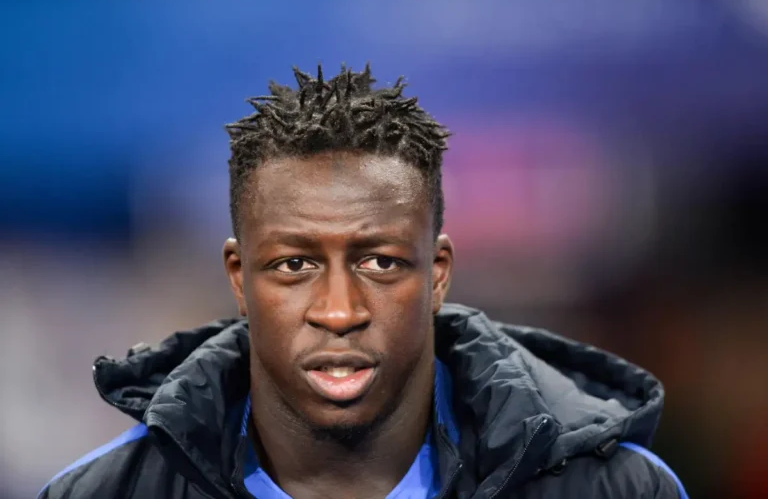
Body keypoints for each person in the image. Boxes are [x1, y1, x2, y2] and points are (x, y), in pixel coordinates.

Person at [39, 64, 688, 499]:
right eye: (294, 265)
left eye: (380, 262)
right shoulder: (104, 493)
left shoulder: (616, 488)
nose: (339, 311)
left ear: (437, 274)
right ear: (238, 277)